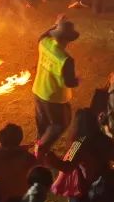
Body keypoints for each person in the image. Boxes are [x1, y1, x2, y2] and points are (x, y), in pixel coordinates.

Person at [31, 16, 80, 154]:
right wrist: (78, 80)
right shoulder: (66, 59)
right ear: (67, 40)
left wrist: (55, 26)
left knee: (42, 122)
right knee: (59, 124)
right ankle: (42, 150)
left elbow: (42, 35)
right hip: (54, 98)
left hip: (38, 90)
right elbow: (69, 82)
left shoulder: (44, 43)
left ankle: (39, 143)